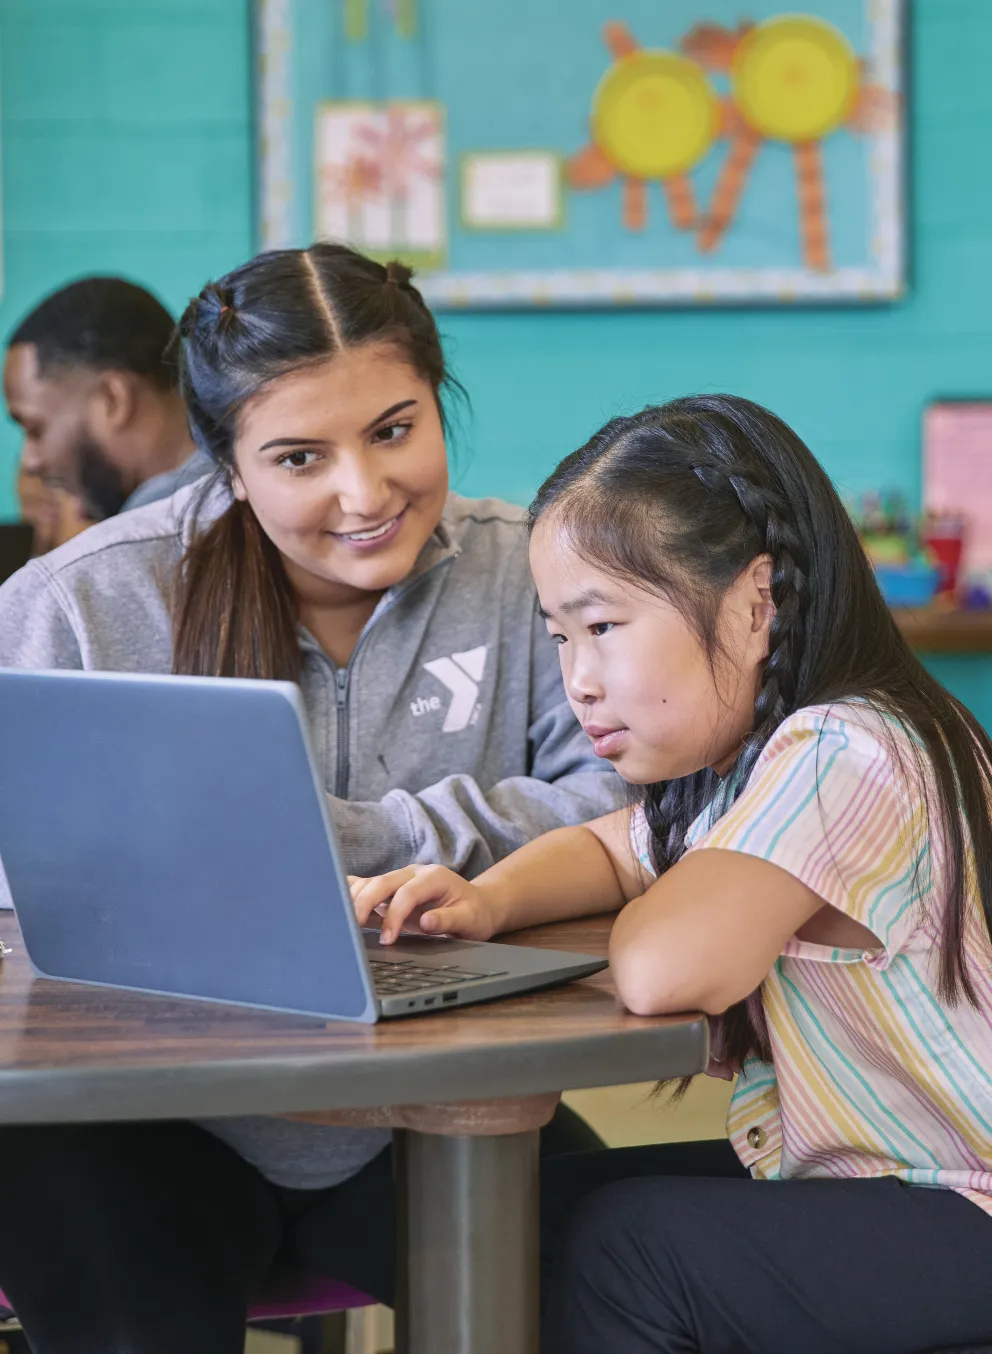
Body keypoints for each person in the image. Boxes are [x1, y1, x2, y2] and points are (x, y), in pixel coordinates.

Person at [0, 244, 619, 1354]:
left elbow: (619, 799)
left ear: (438, 402)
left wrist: (363, 838)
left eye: (393, 429)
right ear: (226, 466)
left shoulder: (529, 569)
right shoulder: (80, 604)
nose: (364, 492)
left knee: (629, 1299)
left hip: (433, 1112)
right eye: (297, 456)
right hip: (134, 1121)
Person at [353, 394, 992, 1354]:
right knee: (532, 1209)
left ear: (754, 599)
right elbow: (613, 847)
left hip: (965, 1197)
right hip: (884, 1174)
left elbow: (664, 970)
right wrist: (487, 898)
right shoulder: (748, 763)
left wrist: (642, 913)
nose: (578, 679)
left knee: (633, 1249)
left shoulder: (849, 747)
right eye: (560, 637)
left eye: (604, 625)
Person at [4, 275, 211, 522]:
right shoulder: (236, 488)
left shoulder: (155, 532)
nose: (30, 462)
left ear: (113, 400)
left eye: (36, 429)